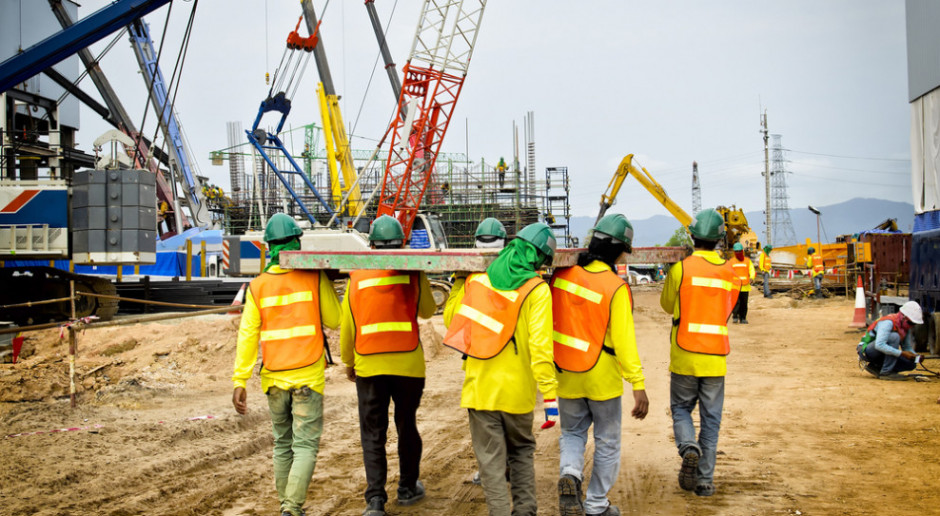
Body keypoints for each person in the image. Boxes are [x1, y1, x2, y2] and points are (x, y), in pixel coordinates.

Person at [442, 222, 558, 516]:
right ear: (539, 260)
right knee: (521, 452)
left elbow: (451, 321)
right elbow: (542, 348)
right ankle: (525, 511)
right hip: (517, 394)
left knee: (491, 464)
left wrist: (458, 280)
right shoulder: (537, 290)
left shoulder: (477, 282)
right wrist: (550, 397)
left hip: (480, 390)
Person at [232, 213, 342, 516]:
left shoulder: (257, 287)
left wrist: (239, 381)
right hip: (307, 376)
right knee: (305, 446)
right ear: (298, 242)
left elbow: (247, 336)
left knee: (283, 445)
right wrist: (327, 283)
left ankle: (287, 506)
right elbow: (336, 320)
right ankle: (291, 509)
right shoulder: (312, 276)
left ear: (269, 247)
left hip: (274, 379)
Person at [551, 214, 649, 516]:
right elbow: (624, 342)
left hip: (566, 374)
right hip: (602, 378)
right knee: (606, 441)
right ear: (617, 250)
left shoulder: (561, 277)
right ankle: (595, 505)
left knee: (572, 434)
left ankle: (571, 472)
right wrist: (638, 385)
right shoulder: (616, 287)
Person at [340, 215, 436, 516]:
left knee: (373, 432)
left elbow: (348, 326)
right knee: (407, 425)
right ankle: (407, 488)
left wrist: (348, 362)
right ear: (402, 243)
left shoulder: (357, 277)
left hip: (369, 365)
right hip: (408, 365)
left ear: (371, 243)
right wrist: (418, 277)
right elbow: (428, 310)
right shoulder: (411, 270)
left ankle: (376, 501)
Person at [659, 208, 741, 498]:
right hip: (715, 358)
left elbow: (668, 306)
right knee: (711, 421)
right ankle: (705, 482)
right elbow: (729, 309)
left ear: (692, 236)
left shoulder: (680, 269)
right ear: (720, 239)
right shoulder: (730, 273)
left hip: (684, 354)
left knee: (681, 409)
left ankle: (687, 447)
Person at [857, 301, 925, 380]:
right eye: (910, 323)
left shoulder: (905, 327)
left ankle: (876, 367)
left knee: (911, 363)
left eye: (914, 324)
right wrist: (902, 353)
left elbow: (907, 347)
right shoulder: (888, 322)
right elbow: (879, 345)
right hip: (866, 351)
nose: (911, 326)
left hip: (881, 353)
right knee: (894, 337)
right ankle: (886, 372)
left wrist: (915, 356)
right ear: (903, 317)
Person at [729, 242, 755, 324]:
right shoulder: (731, 261)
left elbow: (752, 269)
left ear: (742, 251)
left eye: (739, 251)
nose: (738, 253)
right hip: (735, 286)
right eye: (736, 251)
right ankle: (735, 316)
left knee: (744, 303)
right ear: (734, 252)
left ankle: (743, 318)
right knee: (736, 302)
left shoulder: (747, 261)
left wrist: (752, 277)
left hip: (745, 285)